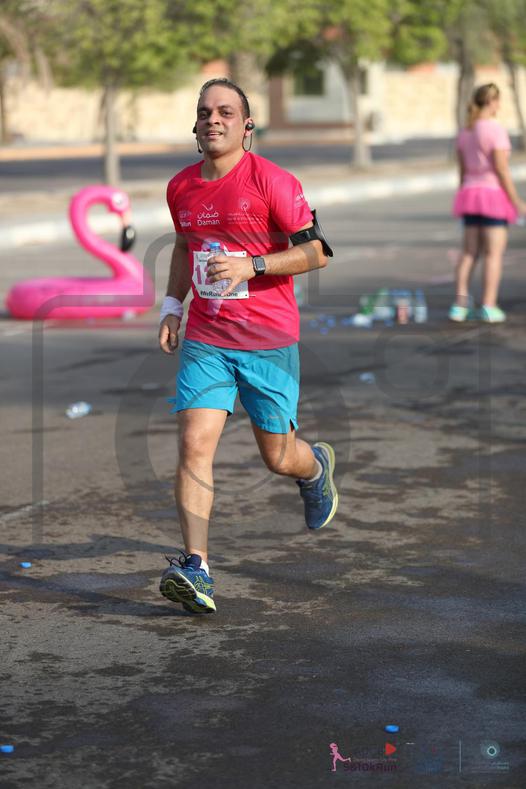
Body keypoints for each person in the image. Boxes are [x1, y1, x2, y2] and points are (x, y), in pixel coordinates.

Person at [157, 78, 339, 614]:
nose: (213, 119)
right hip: (207, 338)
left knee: (278, 456)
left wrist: (252, 265)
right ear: (195, 124)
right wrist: (172, 306)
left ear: (246, 125)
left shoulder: (273, 181)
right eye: (204, 112)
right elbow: (185, 247)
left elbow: (317, 253)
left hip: (267, 340)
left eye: (225, 112)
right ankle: (197, 567)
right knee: (194, 444)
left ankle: (314, 468)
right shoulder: (181, 187)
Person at [450, 82, 526, 323]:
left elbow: (462, 171)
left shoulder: (466, 131)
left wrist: (463, 193)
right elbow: (501, 170)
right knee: (493, 254)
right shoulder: (495, 129)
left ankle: (459, 306)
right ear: (492, 102)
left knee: (468, 253)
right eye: (498, 101)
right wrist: (517, 201)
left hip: (469, 195)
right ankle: (488, 306)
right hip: (492, 196)